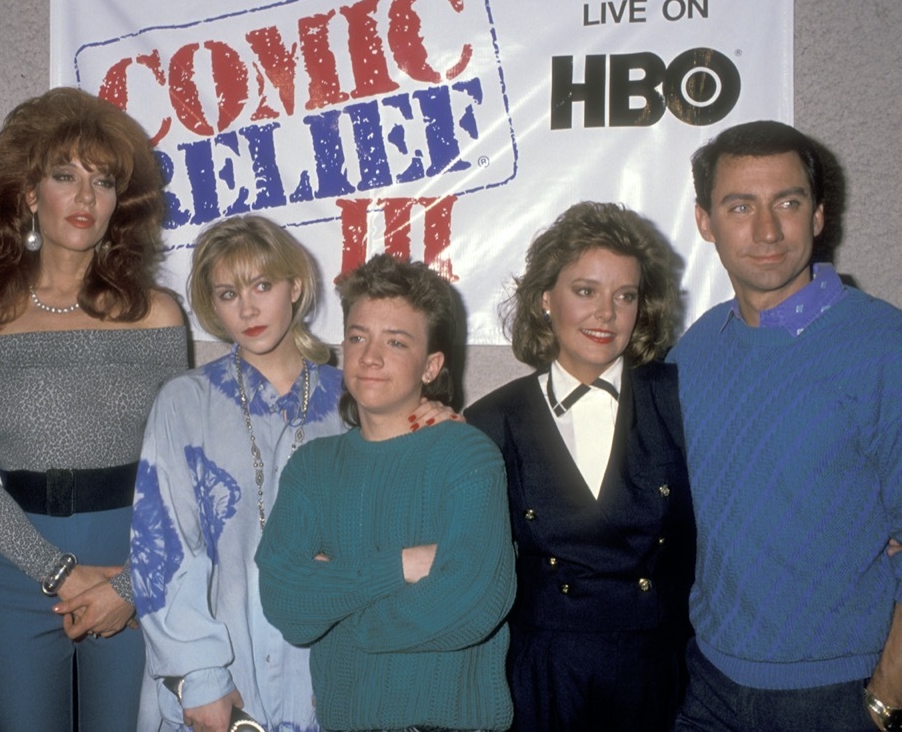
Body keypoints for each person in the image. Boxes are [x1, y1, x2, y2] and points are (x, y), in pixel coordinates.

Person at [131, 217, 458, 732]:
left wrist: (434, 421)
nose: (248, 307)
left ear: (296, 287)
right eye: (227, 292)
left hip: (333, 675)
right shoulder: (184, 403)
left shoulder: (357, 396)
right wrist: (200, 677)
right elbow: (163, 548)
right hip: (224, 680)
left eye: (263, 285)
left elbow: (403, 522)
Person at [0, 87, 187, 732]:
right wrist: (58, 572)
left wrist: (132, 587)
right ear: (29, 194)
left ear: (121, 203)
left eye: (103, 181)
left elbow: (183, 475)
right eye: (65, 176)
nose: (85, 197)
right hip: (19, 575)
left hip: (131, 571)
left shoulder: (156, 315)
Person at [669, 120, 902, 732]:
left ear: (819, 216)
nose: (767, 230)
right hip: (707, 683)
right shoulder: (694, 351)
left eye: (788, 203)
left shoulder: (884, 345)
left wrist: (887, 694)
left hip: (837, 692)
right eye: (740, 206)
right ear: (705, 222)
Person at [256, 253, 515, 732]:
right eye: (358, 336)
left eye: (396, 342)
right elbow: (286, 604)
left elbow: (475, 601)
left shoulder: (468, 456)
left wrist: (343, 611)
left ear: (431, 365)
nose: (370, 357)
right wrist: (406, 565)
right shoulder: (313, 466)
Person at [464, 202, 694, 732]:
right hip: (542, 678)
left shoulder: (679, 401)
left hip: (657, 673)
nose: (606, 314)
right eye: (586, 291)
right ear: (546, 299)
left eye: (625, 296)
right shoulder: (489, 421)